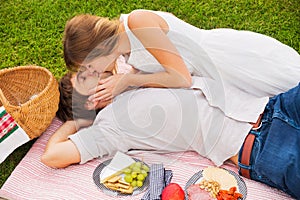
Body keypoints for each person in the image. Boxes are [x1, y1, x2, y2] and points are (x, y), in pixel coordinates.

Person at [42, 70, 300, 198]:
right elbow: (52, 156)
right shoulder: (109, 128)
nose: (96, 71)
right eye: (88, 79)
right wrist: (79, 121)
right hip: (261, 147)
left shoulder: (133, 77)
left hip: (274, 106)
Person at [62, 9, 300, 121]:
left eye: (90, 66)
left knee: (288, 88)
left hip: (227, 61)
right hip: (214, 76)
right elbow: (152, 64)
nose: (95, 72)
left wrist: (128, 80)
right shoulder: (123, 52)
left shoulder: (137, 22)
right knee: (279, 111)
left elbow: (181, 78)